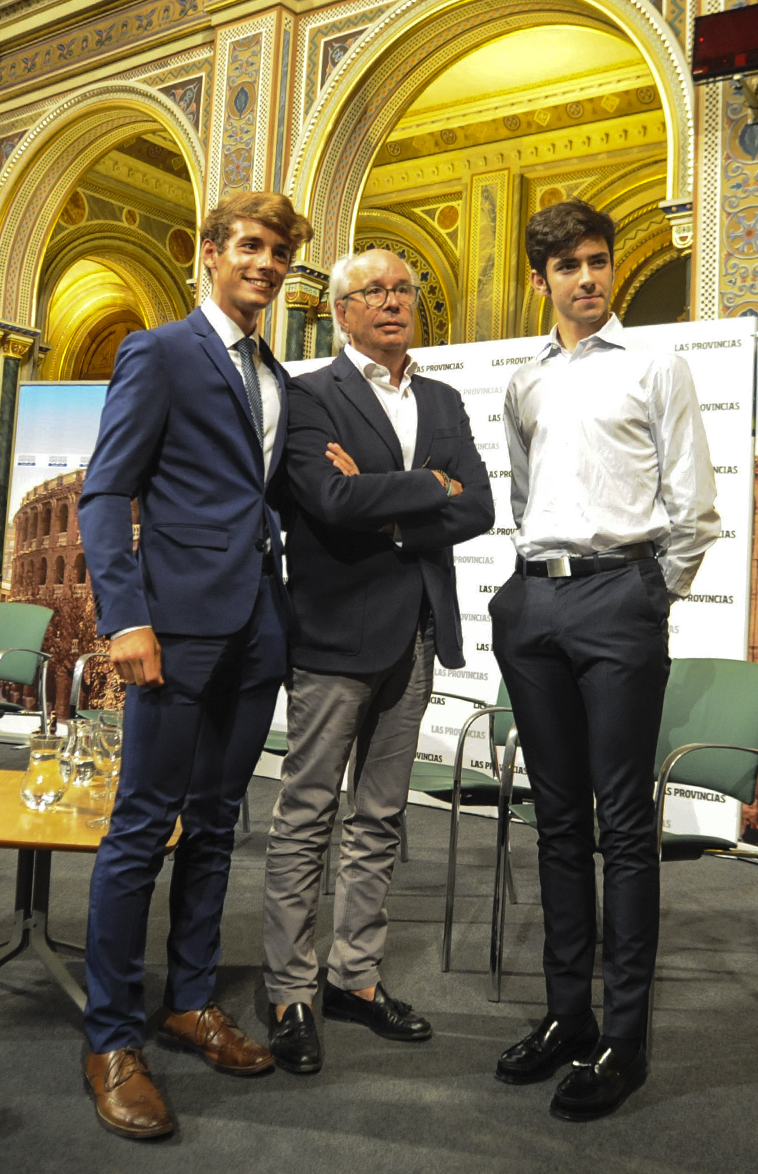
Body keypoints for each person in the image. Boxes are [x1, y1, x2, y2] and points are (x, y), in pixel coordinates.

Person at [75, 191, 309, 1141]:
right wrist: (125, 616)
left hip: (256, 626)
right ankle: (112, 1037)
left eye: (280, 252)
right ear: (210, 254)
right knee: (142, 827)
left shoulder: (276, 373)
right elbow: (105, 491)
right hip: (171, 630)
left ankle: (193, 998)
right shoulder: (161, 351)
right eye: (250, 246)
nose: (265, 263)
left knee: (217, 822)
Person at [489, 199, 720, 1122]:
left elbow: (693, 503)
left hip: (619, 593)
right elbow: (521, 488)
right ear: (539, 279)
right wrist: (529, 586)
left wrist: (646, 593)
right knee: (554, 822)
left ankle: (626, 1037)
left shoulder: (657, 363)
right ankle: (566, 1017)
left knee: (622, 824)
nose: (589, 279)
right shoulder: (524, 383)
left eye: (599, 261)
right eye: (570, 267)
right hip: (535, 599)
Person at [262, 248, 493, 1073]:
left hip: (418, 631)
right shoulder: (307, 393)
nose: (394, 302)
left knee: (381, 817)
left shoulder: (442, 396)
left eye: (404, 288)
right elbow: (325, 500)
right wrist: (430, 483)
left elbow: (481, 505)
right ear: (341, 310)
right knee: (307, 815)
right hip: (332, 635)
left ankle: (352, 978)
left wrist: (392, 502)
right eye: (374, 292)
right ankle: (289, 988)